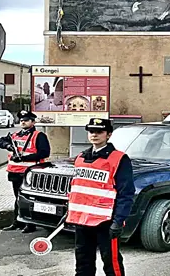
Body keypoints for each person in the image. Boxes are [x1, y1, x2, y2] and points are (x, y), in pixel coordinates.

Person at [66, 118, 135, 276]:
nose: (94, 135)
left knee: (111, 262)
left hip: (106, 222)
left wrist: (118, 221)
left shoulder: (119, 159)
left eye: (99, 132)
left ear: (108, 134)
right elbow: (77, 189)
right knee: (83, 262)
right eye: (91, 131)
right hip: (82, 220)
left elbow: (126, 193)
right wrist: (69, 212)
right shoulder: (81, 158)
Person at [0, 110, 51, 233]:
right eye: (21, 120)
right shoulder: (15, 135)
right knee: (18, 198)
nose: (23, 122)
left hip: (31, 173)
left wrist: (23, 158)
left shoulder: (38, 135)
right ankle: (17, 222)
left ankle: (30, 224)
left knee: (29, 199)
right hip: (15, 172)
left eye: (26, 120)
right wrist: (8, 145)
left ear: (33, 122)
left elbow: (44, 153)